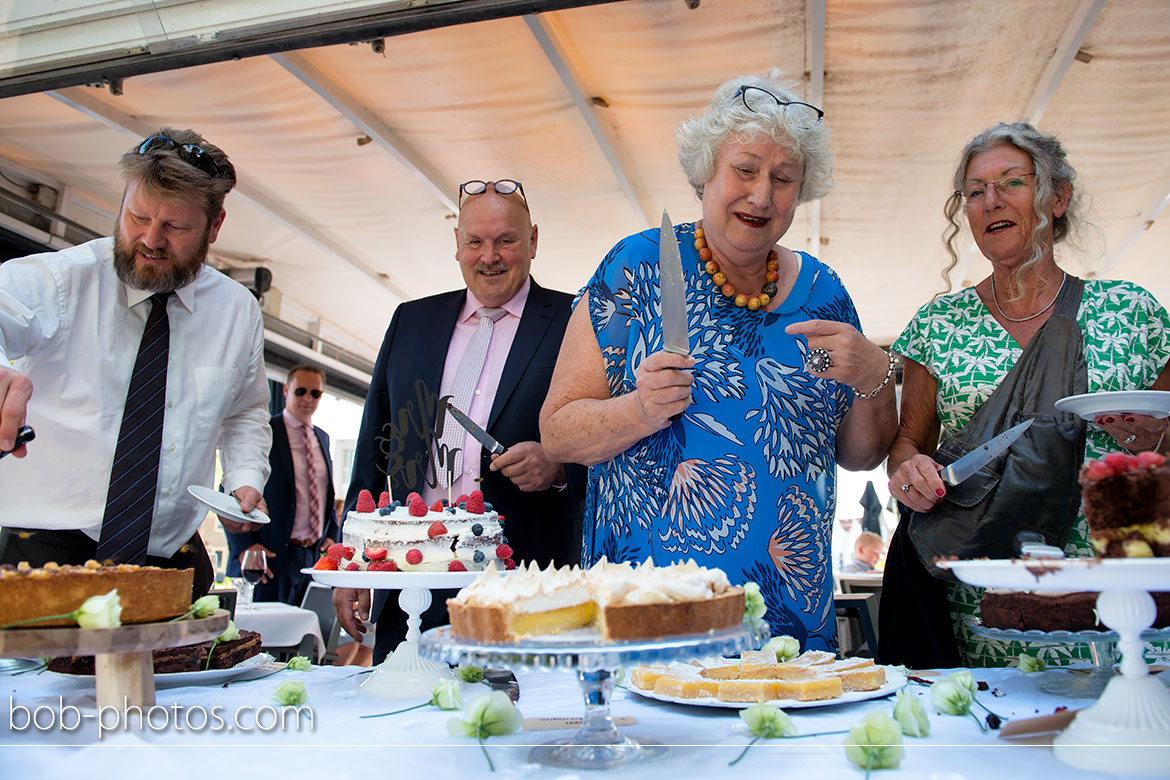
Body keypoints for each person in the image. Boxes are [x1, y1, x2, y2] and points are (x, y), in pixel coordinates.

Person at [539, 70, 898, 653]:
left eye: (784, 178)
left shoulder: (827, 291)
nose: (762, 195)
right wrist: (637, 410)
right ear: (704, 172)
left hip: (788, 621)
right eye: (745, 170)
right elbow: (556, 433)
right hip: (650, 619)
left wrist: (875, 379)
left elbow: (860, 454)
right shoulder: (635, 267)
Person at [882, 122, 1170, 668]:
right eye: (974, 192)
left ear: (1057, 198)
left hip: (1124, 597)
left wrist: (1157, 436)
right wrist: (909, 474)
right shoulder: (939, 324)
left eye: (1012, 182)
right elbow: (906, 445)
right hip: (992, 602)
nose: (990, 202)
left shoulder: (1132, 312)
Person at [0, 128, 271, 597]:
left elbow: (245, 410)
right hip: (45, 554)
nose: (149, 239)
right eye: (137, 216)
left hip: (172, 560)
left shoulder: (237, 309)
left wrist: (245, 477)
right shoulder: (61, 281)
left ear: (215, 225)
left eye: (175, 228)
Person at [333, 180, 583, 662]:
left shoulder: (577, 319)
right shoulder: (411, 320)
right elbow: (371, 450)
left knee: (513, 725)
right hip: (411, 581)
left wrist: (559, 468)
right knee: (403, 721)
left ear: (533, 241)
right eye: (475, 242)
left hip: (525, 583)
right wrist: (350, 563)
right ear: (457, 245)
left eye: (506, 240)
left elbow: (611, 439)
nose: (489, 256)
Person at [226, 364, 338, 606]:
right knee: (261, 639)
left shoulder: (323, 438)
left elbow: (324, 493)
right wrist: (244, 546)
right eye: (301, 391)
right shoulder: (264, 431)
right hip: (269, 558)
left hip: (313, 559)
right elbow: (231, 485)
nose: (308, 398)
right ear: (286, 390)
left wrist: (331, 534)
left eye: (315, 393)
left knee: (308, 637)